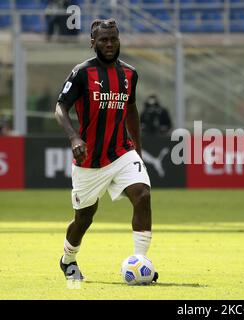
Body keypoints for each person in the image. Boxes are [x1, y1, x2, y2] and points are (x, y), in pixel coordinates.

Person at [54, 18, 157, 282]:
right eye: (103, 40)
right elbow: (60, 108)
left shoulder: (130, 74)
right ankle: (68, 260)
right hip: (89, 160)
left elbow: (131, 110)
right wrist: (74, 138)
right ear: (93, 43)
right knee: (84, 218)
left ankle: (142, 261)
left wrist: (139, 149)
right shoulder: (81, 73)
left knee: (142, 195)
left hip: (122, 151)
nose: (109, 44)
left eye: (113, 38)